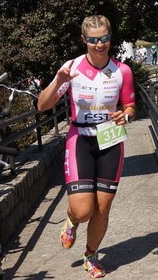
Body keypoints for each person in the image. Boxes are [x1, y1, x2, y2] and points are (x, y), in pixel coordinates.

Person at [37, 15, 136, 279]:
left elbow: (130, 105)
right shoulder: (72, 68)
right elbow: (42, 106)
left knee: (102, 208)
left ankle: (91, 255)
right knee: (83, 210)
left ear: (110, 37)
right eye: (93, 40)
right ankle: (71, 220)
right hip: (80, 138)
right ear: (84, 40)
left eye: (104, 38)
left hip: (111, 138)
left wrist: (125, 115)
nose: (100, 44)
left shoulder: (122, 71)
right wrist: (59, 81)